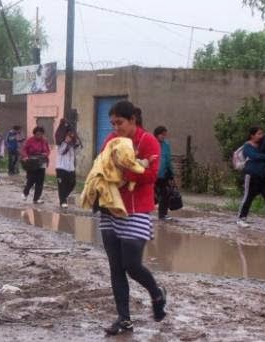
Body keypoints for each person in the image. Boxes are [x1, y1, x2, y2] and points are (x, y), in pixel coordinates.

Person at [98, 100, 166, 335]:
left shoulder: (148, 141)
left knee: (132, 265)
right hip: (110, 210)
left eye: (120, 123)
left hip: (136, 210)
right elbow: (101, 166)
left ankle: (156, 293)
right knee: (116, 267)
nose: (116, 128)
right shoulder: (110, 141)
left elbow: (150, 175)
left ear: (132, 121)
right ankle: (124, 319)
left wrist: (125, 171)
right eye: (113, 123)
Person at [236, 126, 265, 229]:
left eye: (262, 133)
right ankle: (241, 219)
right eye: (259, 134)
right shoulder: (247, 146)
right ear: (252, 135)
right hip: (252, 176)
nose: (261, 136)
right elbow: (254, 156)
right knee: (248, 198)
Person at [21, 126, 50, 204]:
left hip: (41, 162)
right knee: (31, 179)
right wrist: (25, 157)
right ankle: (25, 193)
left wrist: (45, 154)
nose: (39, 136)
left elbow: (47, 151)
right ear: (34, 134)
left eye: (41, 134)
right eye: (37, 134)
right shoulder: (30, 140)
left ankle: (36, 198)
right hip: (32, 162)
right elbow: (24, 150)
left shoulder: (44, 141)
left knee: (40, 181)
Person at [56, 125, 81, 209]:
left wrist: (77, 144)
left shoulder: (72, 145)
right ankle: (63, 201)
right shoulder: (61, 143)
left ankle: (63, 196)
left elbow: (76, 153)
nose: (71, 136)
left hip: (71, 168)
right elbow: (61, 151)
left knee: (72, 183)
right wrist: (66, 142)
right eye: (69, 134)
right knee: (62, 185)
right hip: (61, 168)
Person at [154, 126, 174, 220]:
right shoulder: (152, 143)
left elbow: (168, 160)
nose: (163, 137)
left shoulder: (166, 145)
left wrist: (171, 173)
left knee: (165, 194)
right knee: (152, 195)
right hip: (152, 174)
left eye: (165, 135)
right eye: (162, 134)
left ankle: (163, 215)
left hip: (163, 175)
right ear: (157, 134)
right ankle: (142, 213)